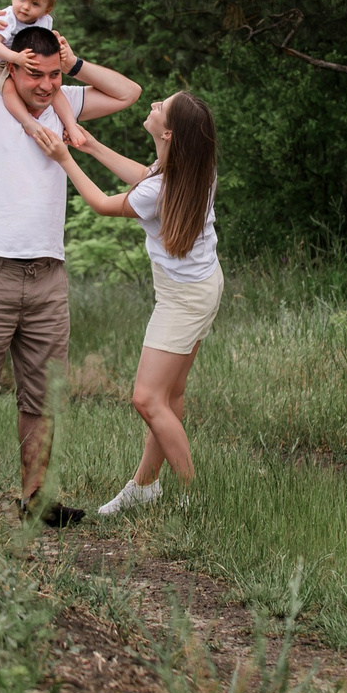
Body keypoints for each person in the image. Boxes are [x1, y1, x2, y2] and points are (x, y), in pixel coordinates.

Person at [0, 10, 142, 518]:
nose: (46, 85)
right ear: (13, 67)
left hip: (47, 276)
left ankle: (35, 499)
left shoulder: (64, 104)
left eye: (53, 75)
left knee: (42, 395)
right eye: (34, 73)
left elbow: (129, 93)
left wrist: (75, 64)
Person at [54, 92, 220, 517]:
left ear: (169, 134)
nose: (152, 105)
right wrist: (90, 145)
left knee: (147, 399)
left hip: (183, 299)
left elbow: (103, 204)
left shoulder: (161, 187)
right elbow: (145, 177)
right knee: (170, 394)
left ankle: (195, 498)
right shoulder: (193, 167)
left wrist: (64, 158)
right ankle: (145, 485)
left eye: (160, 107)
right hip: (200, 288)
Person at [0, 0, 88, 155]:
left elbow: (45, 42)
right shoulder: (7, 18)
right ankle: (28, 123)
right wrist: (16, 58)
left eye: (34, 3)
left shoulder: (45, 21)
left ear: (47, 9)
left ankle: (71, 125)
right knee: (8, 86)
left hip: (27, 62)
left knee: (54, 90)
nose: (25, 7)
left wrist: (58, 47)